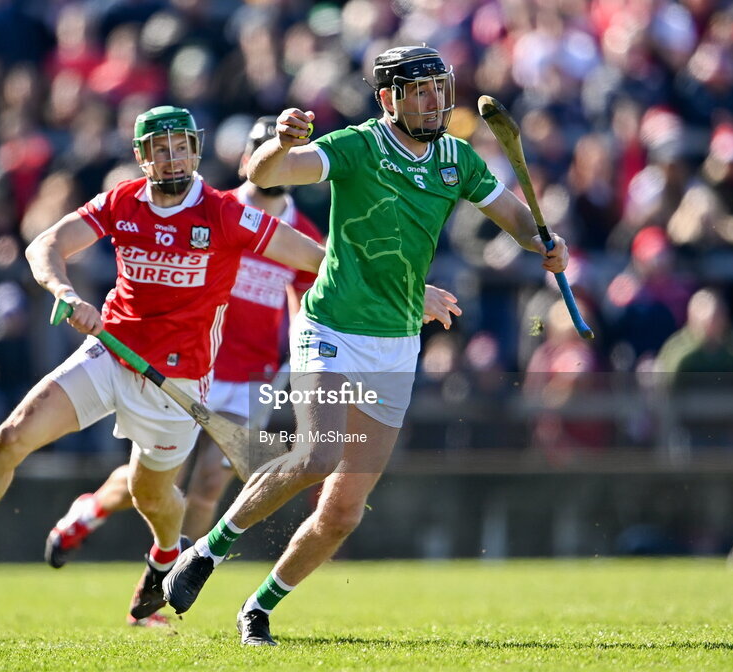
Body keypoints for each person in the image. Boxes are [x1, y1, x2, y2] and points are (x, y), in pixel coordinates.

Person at [161, 45, 570, 646]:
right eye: (420, 90)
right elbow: (265, 175)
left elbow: (512, 216)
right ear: (389, 98)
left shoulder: (456, 159)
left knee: (343, 511)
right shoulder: (357, 147)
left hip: (396, 344)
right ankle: (208, 550)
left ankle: (259, 606)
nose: (434, 101)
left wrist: (545, 241)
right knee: (318, 454)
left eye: (439, 88)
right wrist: (279, 141)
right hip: (328, 328)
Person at [0, 106, 327, 622]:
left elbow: (318, 260)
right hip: (110, 354)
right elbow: (46, 244)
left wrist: (399, 292)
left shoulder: (226, 213)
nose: (172, 157)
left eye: (181, 146)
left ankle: (164, 556)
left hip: (177, 382)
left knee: (151, 494)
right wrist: (64, 291)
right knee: (12, 436)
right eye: (159, 149)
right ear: (141, 158)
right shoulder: (122, 202)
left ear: (196, 151)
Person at [41, 116, 325, 625]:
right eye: (264, 153)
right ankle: (90, 510)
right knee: (153, 481)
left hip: (252, 376)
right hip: (190, 365)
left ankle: (163, 589)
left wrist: (304, 361)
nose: (275, 165)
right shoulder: (218, 210)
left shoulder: (299, 233)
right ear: (247, 162)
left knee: (210, 481)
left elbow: (305, 300)